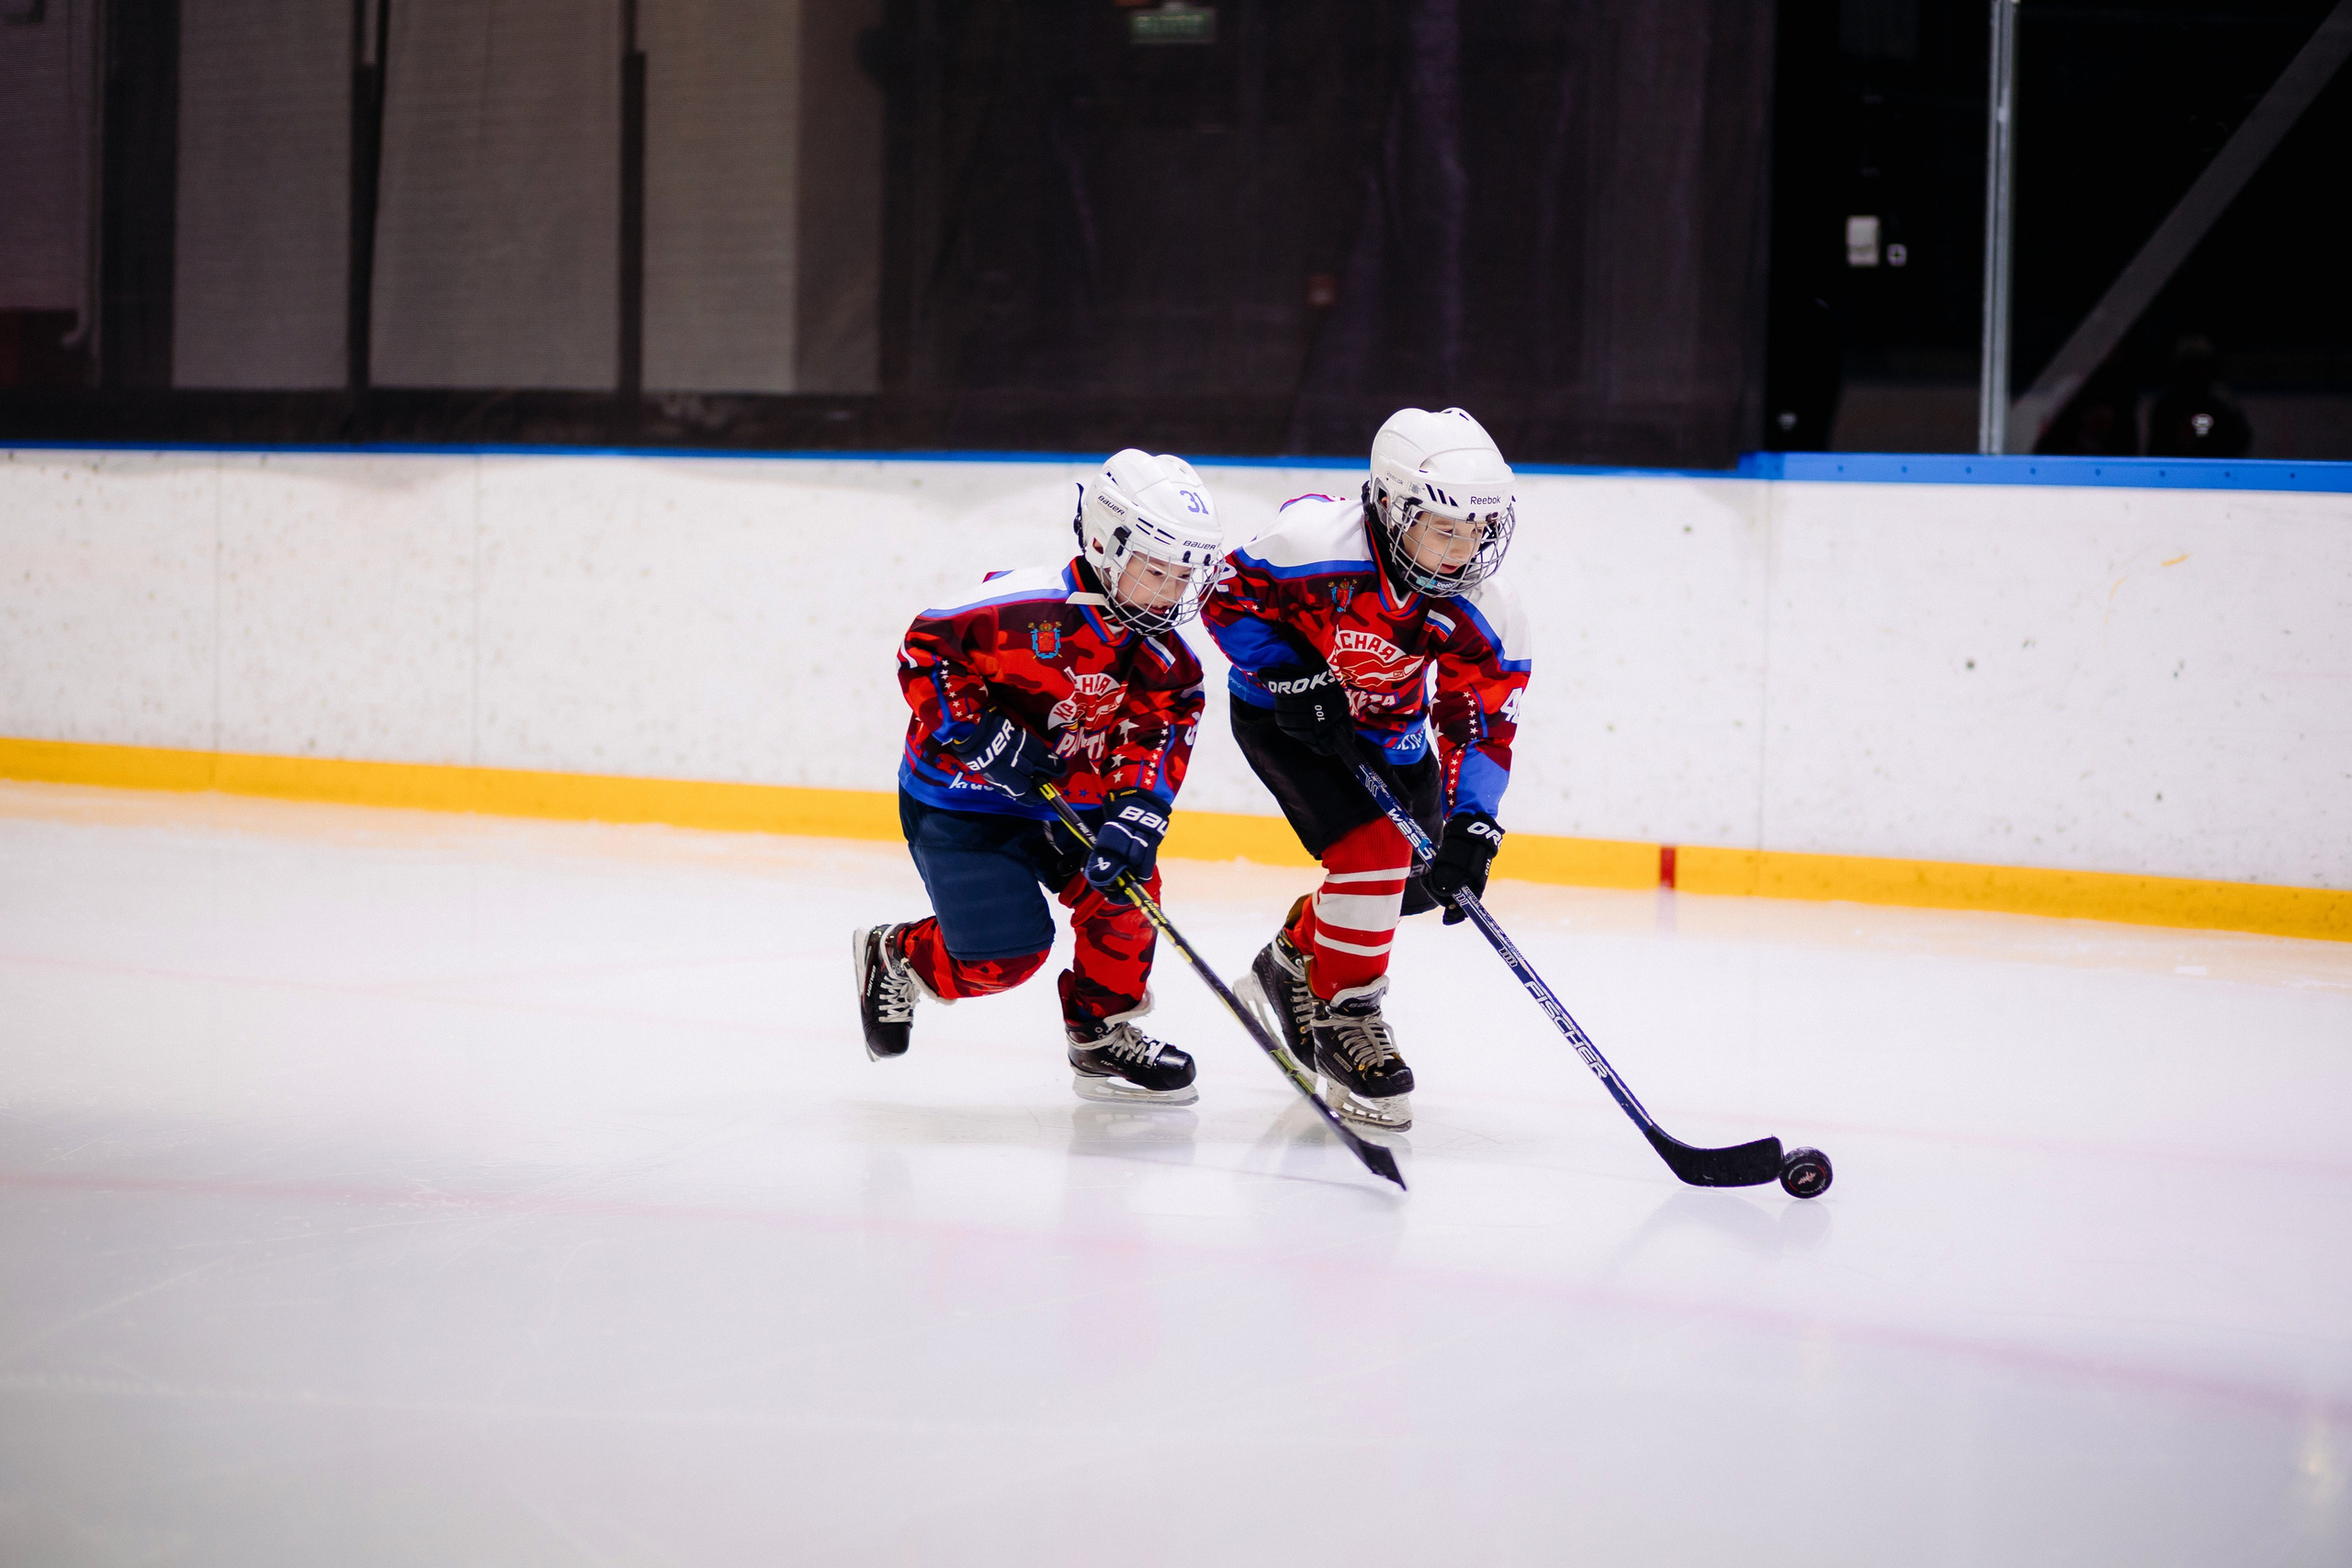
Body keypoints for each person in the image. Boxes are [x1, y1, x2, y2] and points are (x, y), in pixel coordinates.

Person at [853, 450, 1222, 1105]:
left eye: (1182, 575)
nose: (1171, 592)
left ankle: (1099, 1030)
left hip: (1067, 804)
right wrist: (978, 731)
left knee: (1129, 893)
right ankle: (901, 954)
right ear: (1109, 546)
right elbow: (924, 651)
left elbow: (1159, 730)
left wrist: (1139, 808)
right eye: (1156, 571)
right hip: (963, 804)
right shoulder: (1017, 607)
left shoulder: (1168, 659)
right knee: (1006, 957)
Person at [1203, 407, 1530, 1132]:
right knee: (1375, 858)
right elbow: (1224, 602)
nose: (1463, 549)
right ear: (1389, 505)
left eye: (1478, 529)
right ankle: (1347, 1018)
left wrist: (1475, 823)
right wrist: (1292, 673)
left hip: (1391, 732)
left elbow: (1482, 715)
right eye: (1445, 527)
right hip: (1286, 722)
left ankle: (1290, 960)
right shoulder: (1308, 545)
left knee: (1411, 884)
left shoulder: (1482, 604)